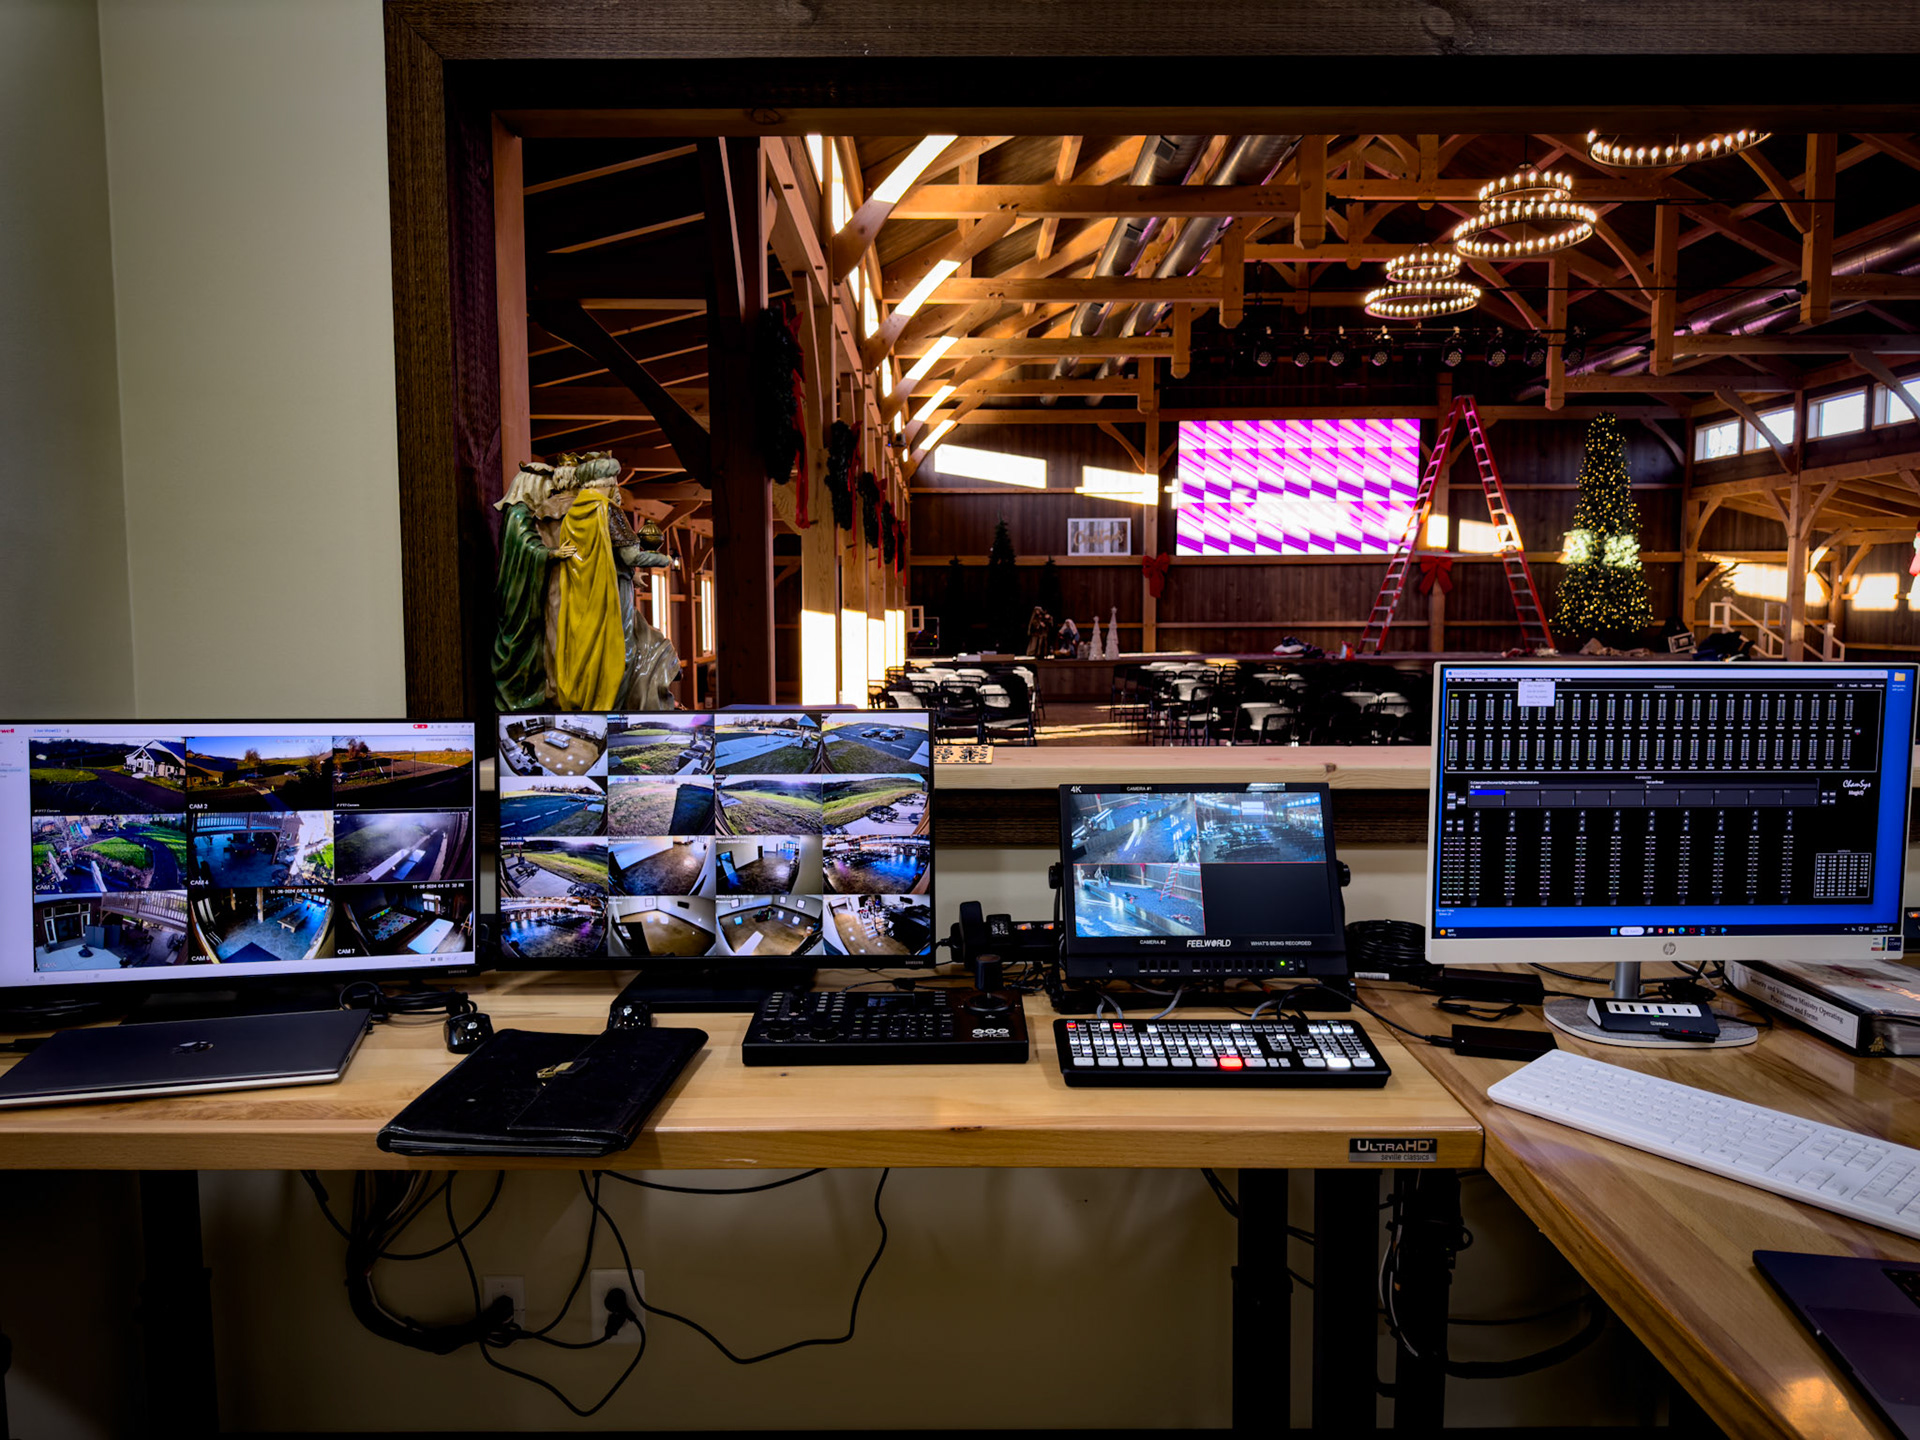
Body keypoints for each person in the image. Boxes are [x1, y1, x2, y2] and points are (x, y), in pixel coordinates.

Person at [491, 462, 577, 712]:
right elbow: (525, 546)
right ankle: (517, 700)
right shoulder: (518, 514)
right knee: (519, 646)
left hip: (527, 590)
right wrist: (552, 553)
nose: (548, 494)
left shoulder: (526, 513)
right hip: (518, 594)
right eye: (546, 489)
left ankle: (529, 697)